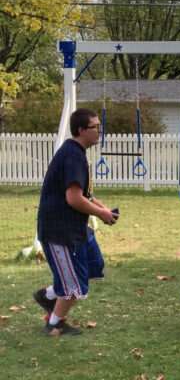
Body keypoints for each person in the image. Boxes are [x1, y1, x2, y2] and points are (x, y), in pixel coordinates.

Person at [33, 108, 118, 335]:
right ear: (81, 130)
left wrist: (103, 209)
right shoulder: (72, 155)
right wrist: (100, 214)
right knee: (74, 286)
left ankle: (49, 295)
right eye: (95, 127)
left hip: (76, 228)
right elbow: (73, 199)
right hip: (61, 231)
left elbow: (84, 194)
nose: (100, 131)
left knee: (93, 265)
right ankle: (54, 324)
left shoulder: (77, 153)